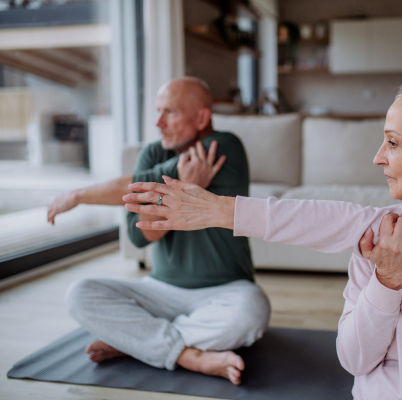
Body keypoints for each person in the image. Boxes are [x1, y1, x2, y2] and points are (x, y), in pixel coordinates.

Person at [124, 43, 402, 399]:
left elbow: (352, 222)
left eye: (393, 142)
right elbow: (354, 358)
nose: (378, 157)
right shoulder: (371, 251)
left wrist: (221, 210)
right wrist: (388, 285)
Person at [53, 77, 270, 385]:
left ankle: (138, 343)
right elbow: (141, 236)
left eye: (169, 112)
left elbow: (135, 189)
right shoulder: (152, 155)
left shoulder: (224, 147)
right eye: (157, 111)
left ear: (201, 118)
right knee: (79, 294)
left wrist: (77, 195)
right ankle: (189, 355)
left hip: (226, 290)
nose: (158, 122)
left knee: (254, 310)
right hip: (159, 291)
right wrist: (182, 189)